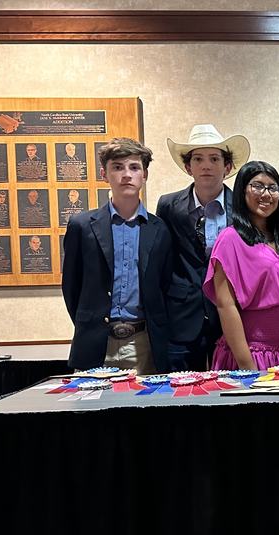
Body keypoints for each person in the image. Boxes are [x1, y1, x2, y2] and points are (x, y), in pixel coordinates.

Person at [62, 138, 174, 374]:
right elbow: (71, 287)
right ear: (104, 174)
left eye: (134, 167)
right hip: (94, 342)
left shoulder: (160, 229)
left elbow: (164, 286)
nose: (126, 174)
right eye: (117, 167)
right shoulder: (82, 226)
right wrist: (90, 323)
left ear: (144, 175)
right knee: (91, 409)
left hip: (144, 344)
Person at [157, 123, 251, 370]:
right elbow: (163, 262)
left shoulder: (244, 208)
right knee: (182, 393)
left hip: (232, 314)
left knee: (230, 391)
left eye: (214, 158)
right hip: (182, 316)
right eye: (198, 159)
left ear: (227, 166)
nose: (206, 165)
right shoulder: (168, 206)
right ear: (188, 167)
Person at [201, 161, 279, 370]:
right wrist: (248, 367)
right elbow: (225, 305)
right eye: (257, 186)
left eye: (273, 188)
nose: (266, 194)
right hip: (250, 354)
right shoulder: (230, 239)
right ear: (242, 191)